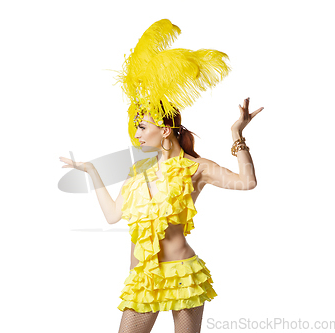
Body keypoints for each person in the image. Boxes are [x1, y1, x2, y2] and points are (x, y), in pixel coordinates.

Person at [59, 19, 263, 333]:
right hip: (143, 277)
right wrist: (92, 172)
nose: (137, 133)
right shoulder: (138, 173)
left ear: (164, 130)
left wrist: (237, 135)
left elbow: (247, 182)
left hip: (183, 273)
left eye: (143, 126)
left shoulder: (197, 167)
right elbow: (114, 215)